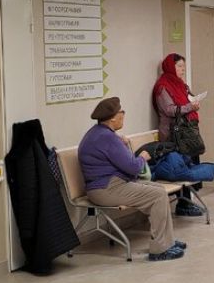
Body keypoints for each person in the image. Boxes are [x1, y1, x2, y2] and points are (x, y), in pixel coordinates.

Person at [79, 96, 185, 261]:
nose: (123, 114)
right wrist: (143, 157)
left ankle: (167, 241)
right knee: (157, 195)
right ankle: (159, 250)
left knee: (158, 190)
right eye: (121, 111)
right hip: (106, 189)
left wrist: (123, 144)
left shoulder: (99, 133)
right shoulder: (107, 138)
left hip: (106, 186)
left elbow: (123, 163)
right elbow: (134, 168)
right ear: (113, 118)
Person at [152, 53, 204, 217]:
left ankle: (186, 202)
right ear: (170, 67)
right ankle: (183, 204)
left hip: (186, 132)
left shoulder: (181, 85)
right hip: (173, 135)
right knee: (180, 167)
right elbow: (169, 110)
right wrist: (189, 107)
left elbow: (187, 100)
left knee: (189, 165)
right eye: (179, 66)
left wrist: (194, 102)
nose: (182, 70)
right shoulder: (163, 86)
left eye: (183, 66)